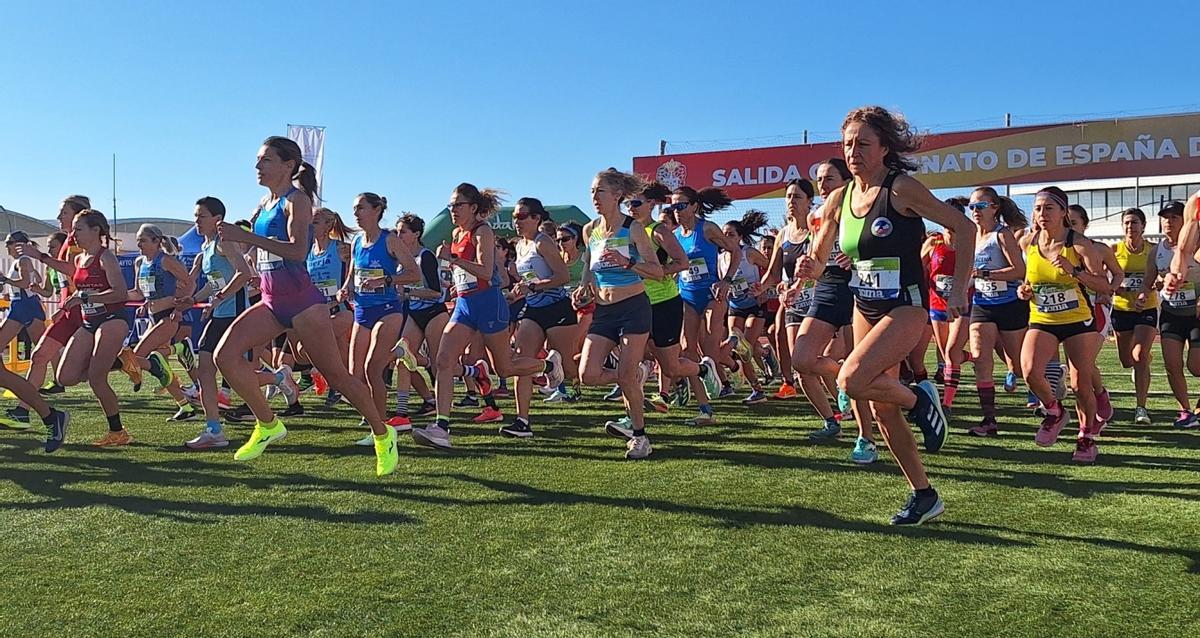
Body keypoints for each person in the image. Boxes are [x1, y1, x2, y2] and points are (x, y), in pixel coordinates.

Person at [797, 106, 973, 525]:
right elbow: (819, 258)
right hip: (865, 304)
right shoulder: (839, 198)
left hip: (906, 306)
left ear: (884, 148)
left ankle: (921, 400)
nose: (853, 152)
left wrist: (959, 288)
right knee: (879, 407)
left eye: (863, 143)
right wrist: (809, 267)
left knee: (851, 380)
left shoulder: (901, 189)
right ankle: (924, 495)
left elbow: (963, 228)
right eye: (847, 144)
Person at [213, 136, 399, 476]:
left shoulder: (296, 201)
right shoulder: (264, 203)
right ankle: (268, 425)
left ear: (288, 165)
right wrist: (239, 250)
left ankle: (383, 434)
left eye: (265, 160)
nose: (257, 166)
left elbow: (298, 251)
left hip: (302, 304)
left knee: (337, 377)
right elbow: (259, 253)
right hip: (271, 301)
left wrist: (247, 237)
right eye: (258, 159)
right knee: (224, 356)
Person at [409, 183, 563, 449]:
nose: (453, 210)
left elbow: (483, 270)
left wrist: (452, 259)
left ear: (473, 208)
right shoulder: (456, 233)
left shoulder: (483, 231)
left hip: (488, 304)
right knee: (443, 361)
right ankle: (441, 427)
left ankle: (548, 366)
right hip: (464, 305)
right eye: (451, 205)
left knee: (504, 368)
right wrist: (456, 282)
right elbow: (464, 273)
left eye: (458, 205)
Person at [1017, 187, 1110, 463]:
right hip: (1043, 318)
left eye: (1048, 208)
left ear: (1062, 213)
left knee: (1081, 384)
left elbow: (1103, 285)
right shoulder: (1028, 242)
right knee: (1030, 371)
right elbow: (1030, 279)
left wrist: (1075, 271)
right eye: (1037, 208)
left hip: (1077, 320)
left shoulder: (1079, 245)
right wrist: (1024, 290)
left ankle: (1086, 437)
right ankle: (1055, 411)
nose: (1042, 214)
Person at [575, 168, 663, 459]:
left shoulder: (632, 228)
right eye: (592, 191)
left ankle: (640, 437)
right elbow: (589, 264)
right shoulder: (590, 230)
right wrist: (584, 286)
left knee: (625, 377)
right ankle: (634, 375)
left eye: (600, 191)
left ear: (617, 195)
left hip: (633, 307)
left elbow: (657, 271)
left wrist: (628, 263)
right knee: (587, 375)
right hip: (604, 310)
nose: (594, 197)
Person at [625, 182, 720, 425]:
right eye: (627, 204)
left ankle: (703, 376)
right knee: (632, 360)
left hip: (664, 302)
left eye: (635, 203)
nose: (630, 208)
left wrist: (658, 272)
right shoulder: (627, 231)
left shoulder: (659, 231)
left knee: (672, 367)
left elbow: (683, 263)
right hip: (637, 302)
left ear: (650, 204)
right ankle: (632, 418)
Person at [39, 210, 136, 446]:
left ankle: (118, 432)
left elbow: (120, 293)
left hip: (112, 319)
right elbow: (72, 281)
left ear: (96, 230)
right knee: (65, 377)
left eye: (78, 229)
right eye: (73, 229)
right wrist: (41, 258)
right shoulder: (79, 259)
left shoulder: (106, 257)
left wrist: (84, 297)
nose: (73, 234)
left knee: (96, 379)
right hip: (89, 321)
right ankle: (121, 362)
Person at [339, 193, 422, 446]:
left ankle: (381, 429)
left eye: (361, 208)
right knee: (354, 375)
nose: (356, 213)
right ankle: (399, 353)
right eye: (354, 209)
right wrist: (346, 288)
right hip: (362, 311)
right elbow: (353, 272)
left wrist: (386, 280)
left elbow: (414, 274)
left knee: (372, 369)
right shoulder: (356, 241)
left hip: (387, 309)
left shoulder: (390, 240)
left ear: (377, 210)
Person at [179, 197, 255, 449]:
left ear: (217, 219)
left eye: (201, 216)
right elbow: (214, 284)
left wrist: (219, 299)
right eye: (195, 216)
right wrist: (194, 299)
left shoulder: (225, 241)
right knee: (205, 369)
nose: (196, 221)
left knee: (235, 370)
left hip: (234, 312)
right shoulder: (206, 247)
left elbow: (244, 273)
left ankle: (279, 381)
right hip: (218, 312)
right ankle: (213, 429)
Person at [507, 197, 579, 436]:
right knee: (520, 361)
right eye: (514, 217)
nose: (516, 221)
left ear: (536, 218)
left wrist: (534, 286)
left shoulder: (543, 242)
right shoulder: (520, 245)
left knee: (569, 370)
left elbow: (562, 276)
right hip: (534, 310)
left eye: (521, 216)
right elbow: (528, 280)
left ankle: (615, 370)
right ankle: (522, 421)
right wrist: (516, 293)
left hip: (557, 308)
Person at [965, 187, 1028, 436]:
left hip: (1009, 304)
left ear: (994, 208)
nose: (975, 211)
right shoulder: (971, 236)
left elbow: (1019, 270)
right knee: (980, 359)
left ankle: (1049, 389)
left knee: (1020, 365)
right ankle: (989, 420)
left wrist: (985, 273)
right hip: (983, 304)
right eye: (972, 207)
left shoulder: (1002, 235)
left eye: (980, 206)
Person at [672, 185, 744, 398]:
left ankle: (734, 346)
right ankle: (704, 393)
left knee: (711, 350)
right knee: (688, 348)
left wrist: (726, 281)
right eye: (673, 206)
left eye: (681, 205)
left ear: (694, 206)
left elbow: (736, 252)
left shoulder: (707, 229)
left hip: (712, 293)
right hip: (687, 295)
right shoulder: (674, 236)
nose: (677, 211)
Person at [128, 224, 198, 421]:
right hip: (153, 316)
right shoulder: (139, 262)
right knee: (161, 366)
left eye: (143, 240)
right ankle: (185, 407)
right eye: (138, 240)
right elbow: (138, 292)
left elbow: (190, 283)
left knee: (136, 357)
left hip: (168, 316)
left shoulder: (166, 260)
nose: (139, 244)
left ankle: (180, 348)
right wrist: (111, 296)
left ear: (157, 241)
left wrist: (179, 308)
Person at [1146, 201, 1200, 429]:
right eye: (1165, 217)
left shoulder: (1197, 246)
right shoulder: (1157, 251)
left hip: (1196, 316)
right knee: (1171, 364)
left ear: (1186, 221)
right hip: (1171, 314)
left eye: (1174, 217)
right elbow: (1148, 283)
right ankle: (1185, 411)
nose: (1168, 222)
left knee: (1196, 367)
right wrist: (1146, 293)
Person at [922, 198, 972, 417]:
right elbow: (917, 266)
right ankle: (974, 357)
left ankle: (947, 404)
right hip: (937, 303)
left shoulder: (969, 241)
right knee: (947, 354)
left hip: (962, 303)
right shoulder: (934, 242)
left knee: (951, 353)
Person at [1109, 207, 1158, 425]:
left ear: (1143, 226)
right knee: (1127, 361)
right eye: (1127, 223)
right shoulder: (1114, 250)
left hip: (1146, 309)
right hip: (1121, 310)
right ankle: (1143, 360)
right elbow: (1102, 274)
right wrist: (1113, 287)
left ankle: (1141, 408)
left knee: (1139, 356)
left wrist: (1156, 284)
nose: (1131, 226)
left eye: (1135, 222)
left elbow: (1163, 275)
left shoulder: (1153, 250)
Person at [722, 210, 772, 403]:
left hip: (755, 304)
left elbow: (772, 267)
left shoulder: (748, 253)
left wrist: (764, 287)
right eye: (724, 234)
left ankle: (758, 389)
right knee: (740, 347)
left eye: (731, 234)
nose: (727, 238)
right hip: (735, 305)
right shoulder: (721, 257)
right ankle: (764, 356)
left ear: (740, 237)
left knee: (745, 348)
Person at [0, 232, 47, 428]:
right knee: (44, 355)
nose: (7, 246)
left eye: (9, 243)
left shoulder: (23, 260)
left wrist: (6, 280)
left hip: (24, 308)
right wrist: (10, 289)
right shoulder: (22, 261)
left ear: (19, 244)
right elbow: (35, 282)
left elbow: (25, 283)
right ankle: (22, 408)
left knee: (45, 355)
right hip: (23, 306)